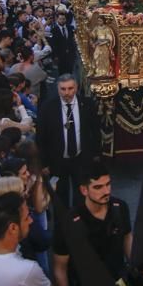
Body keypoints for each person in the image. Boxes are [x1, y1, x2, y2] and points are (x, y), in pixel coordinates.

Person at [52, 161, 133, 286]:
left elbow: (127, 237)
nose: (106, 191)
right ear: (84, 190)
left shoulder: (120, 208)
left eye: (108, 184)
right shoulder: (69, 223)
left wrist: (135, 272)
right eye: (98, 187)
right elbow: (60, 268)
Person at [37, 74, 101, 207]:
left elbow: (95, 130)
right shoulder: (48, 107)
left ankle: (81, 218)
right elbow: (41, 137)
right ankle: (63, 220)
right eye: (63, 89)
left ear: (76, 88)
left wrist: (95, 154)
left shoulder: (87, 104)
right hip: (57, 160)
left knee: (82, 193)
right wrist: (44, 163)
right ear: (58, 89)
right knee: (60, 196)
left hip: (81, 158)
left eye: (70, 88)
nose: (67, 93)